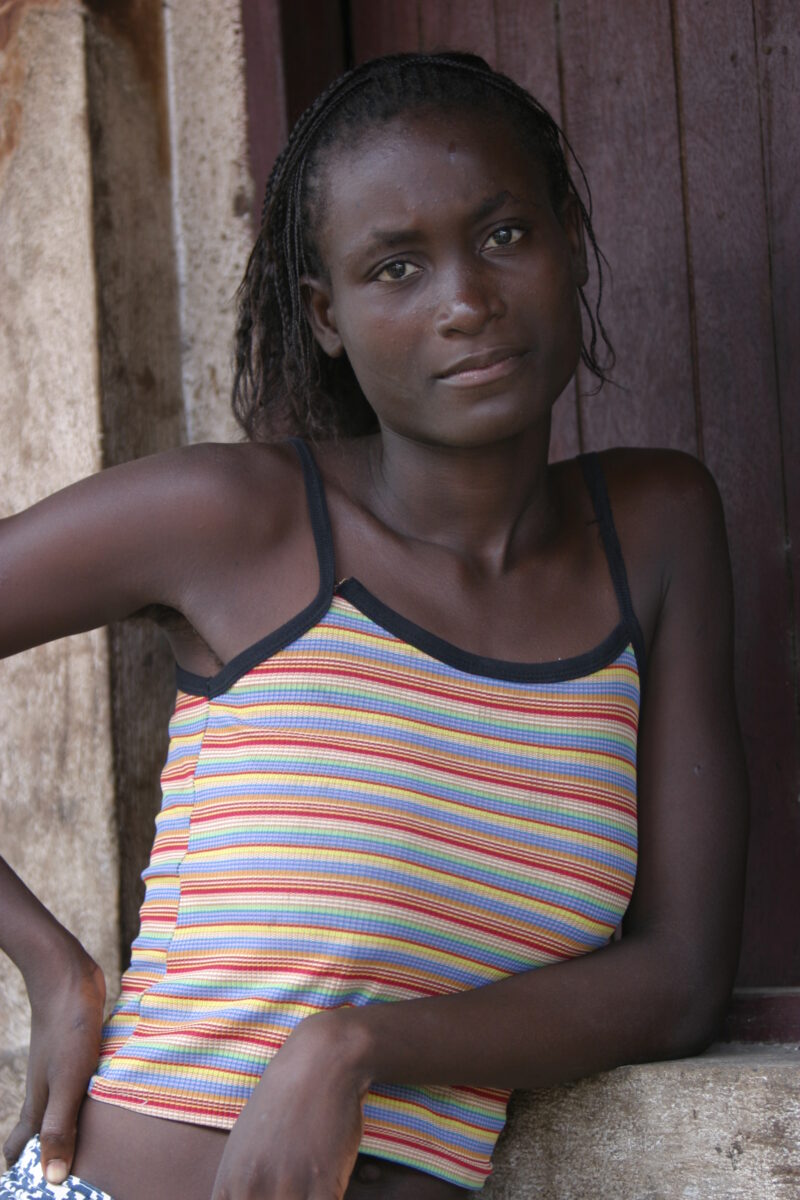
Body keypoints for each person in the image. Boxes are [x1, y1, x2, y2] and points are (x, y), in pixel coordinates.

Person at [0, 50, 747, 1200]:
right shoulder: (233, 521)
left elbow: (679, 979)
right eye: (395, 266)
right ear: (327, 316)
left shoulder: (651, 532)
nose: (465, 301)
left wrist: (356, 1046)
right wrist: (50, 968)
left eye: (503, 235)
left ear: (567, 242)